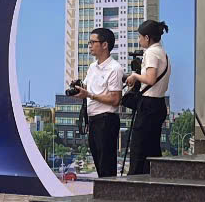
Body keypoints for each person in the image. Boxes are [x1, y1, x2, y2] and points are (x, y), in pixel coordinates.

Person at [73, 28, 126, 178]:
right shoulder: (92, 67)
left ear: (105, 45)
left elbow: (116, 99)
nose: (89, 45)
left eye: (93, 42)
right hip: (93, 120)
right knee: (99, 164)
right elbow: (87, 88)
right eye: (89, 42)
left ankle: (109, 192)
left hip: (106, 121)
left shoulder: (115, 68)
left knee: (106, 167)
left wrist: (90, 95)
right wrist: (78, 88)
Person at [124, 20, 172, 175]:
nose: (139, 40)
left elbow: (150, 79)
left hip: (148, 105)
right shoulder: (163, 53)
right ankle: (152, 179)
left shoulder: (151, 53)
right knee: (152, 149)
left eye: (140, 37)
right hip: (159, 103)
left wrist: (135, 76)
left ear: (147, 37)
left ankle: (135, 181)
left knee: (138, 149)